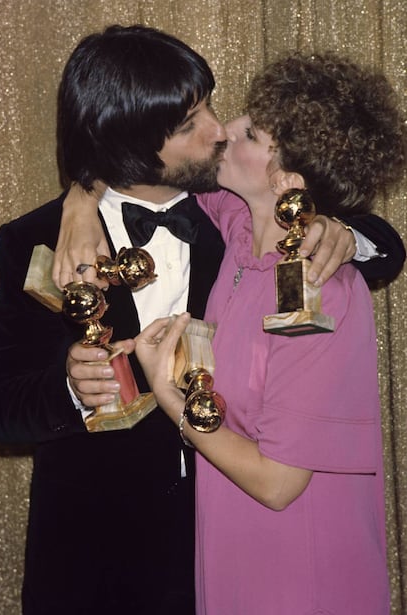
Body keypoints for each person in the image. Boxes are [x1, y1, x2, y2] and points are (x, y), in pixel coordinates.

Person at [0, 23, 403, 615]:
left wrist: (342, 232)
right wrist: (70, 391)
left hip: (238, 548)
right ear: (129, 143)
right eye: (189, 124)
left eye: (208, 105)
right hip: (99, 560)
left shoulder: (236, 212)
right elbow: (3, 407)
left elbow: (383, 245)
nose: (216, 130)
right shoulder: (32, 241)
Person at [130, 52, 406, 614]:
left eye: (250, 132)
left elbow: (279, 484)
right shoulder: (239, 229)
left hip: (298, 574)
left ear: (287, 181)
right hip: (233, 551)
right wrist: (82, 203)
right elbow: (151, 169)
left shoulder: (311, 284)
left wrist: (168, 395)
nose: (225, 130)